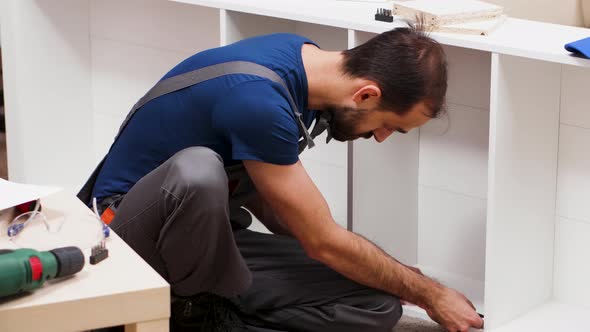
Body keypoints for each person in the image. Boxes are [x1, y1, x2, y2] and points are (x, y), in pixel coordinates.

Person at [79, 23, 484, 332]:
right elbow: (321, 239)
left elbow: (285, 214)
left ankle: (210, 308)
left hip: (206, 240)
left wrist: (400, 279)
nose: (379, 138)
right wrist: (432, 295)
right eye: (390, 126)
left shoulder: (302, 65)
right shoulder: (258, 100)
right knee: (198, 170)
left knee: (378, 303)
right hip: (124, 237)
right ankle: (195, 312)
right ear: (366, 94)